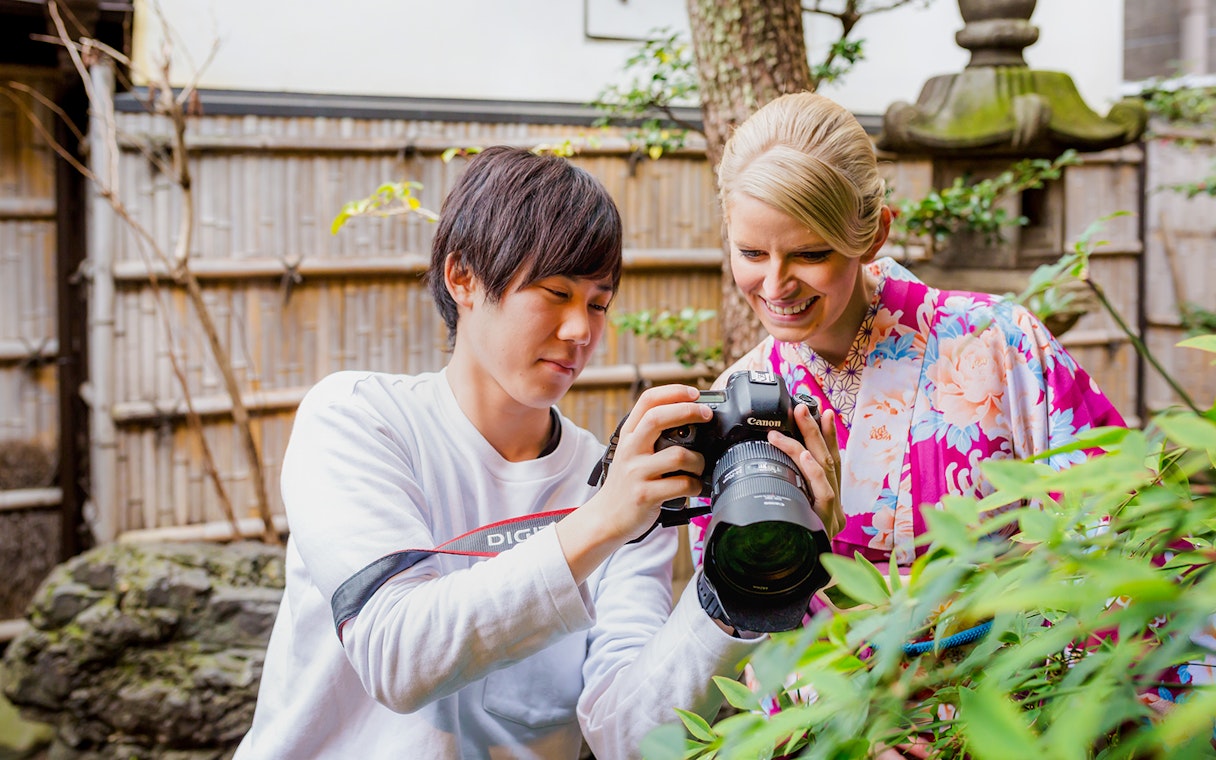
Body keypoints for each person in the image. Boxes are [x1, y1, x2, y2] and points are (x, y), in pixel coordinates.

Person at [234, 145, 843, 760]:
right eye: (555, 293)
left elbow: (628, 738)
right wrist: (602, 521)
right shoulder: (358, 419)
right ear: (463, 278)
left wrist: (736, 587)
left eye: (599, 303)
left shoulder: (624, 482)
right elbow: (398, 655)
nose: (581, 331)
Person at [692, 91, 1124, 578]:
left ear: (874, 234)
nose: (775, 285)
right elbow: (731, 607)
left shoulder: (1000, 341)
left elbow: (1117, 525)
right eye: (751, 253)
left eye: (811, 254)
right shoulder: (741, 397)